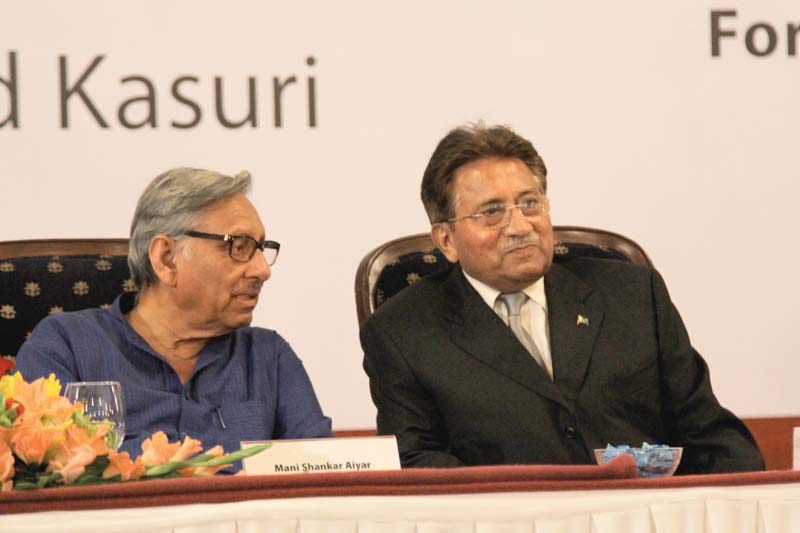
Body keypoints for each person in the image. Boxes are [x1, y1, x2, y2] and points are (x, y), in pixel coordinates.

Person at [360, 124, 764, 474]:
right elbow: (416, 463)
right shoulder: (402, 333)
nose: (520, 226)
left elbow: (709, 432)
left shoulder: (633, 295)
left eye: (530, 203)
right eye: (491, 212)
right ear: (446, 240)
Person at [17, 168, 332, 472]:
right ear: (166, 257)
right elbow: (51, 472)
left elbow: (324, 478)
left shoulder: (268, 357)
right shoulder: (65, 346)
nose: (262, 270)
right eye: (239, 247)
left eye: (261, 249)